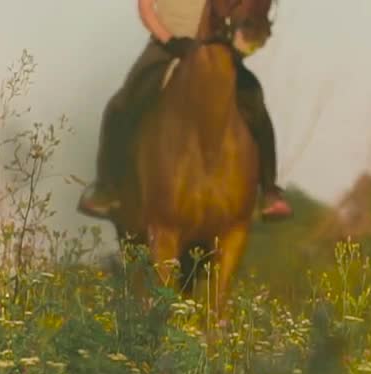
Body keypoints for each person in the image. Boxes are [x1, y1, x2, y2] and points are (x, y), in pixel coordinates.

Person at [78, 0, 292, 221]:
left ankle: (269, 192)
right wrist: (171, 41)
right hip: (166, 46)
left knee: (255, 102)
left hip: (214, 48)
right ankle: (106, 188)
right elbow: (145, 9)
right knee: (121, 106)